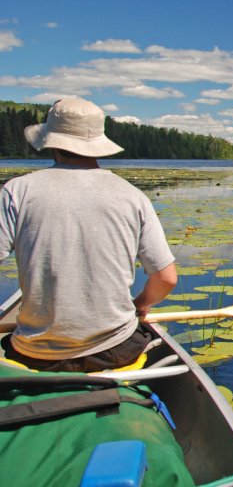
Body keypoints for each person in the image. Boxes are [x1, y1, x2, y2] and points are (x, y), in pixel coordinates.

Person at [0, 97, 178, 372]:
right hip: (114, 350)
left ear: (51, 141)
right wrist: (140, 305)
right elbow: (166, 278)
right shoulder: (132, 196)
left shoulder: (16, 191)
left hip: (32, 353)